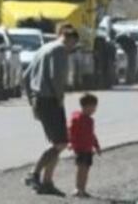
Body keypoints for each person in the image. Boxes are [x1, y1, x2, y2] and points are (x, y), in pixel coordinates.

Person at [22, 23, 81, 196]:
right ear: (69, 38)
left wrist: (31, 100)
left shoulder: (44, 48)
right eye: (73, 44)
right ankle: (33, 174)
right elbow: (56, 77)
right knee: (61, 143)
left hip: (39, 99)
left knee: (57, 142)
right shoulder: (60, 50)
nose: (71, 49)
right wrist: (60, 98)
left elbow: (26, 77)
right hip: (50, 100)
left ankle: (47, 182)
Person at [69, 93, 102, 198]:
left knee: (86, 169)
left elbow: (92, 134)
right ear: (86, 106)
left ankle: (83, 189)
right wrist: (71, 143)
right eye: (93, 107)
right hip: (80, 148)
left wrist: (96, 146)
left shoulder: (90, 120)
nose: (94, 110)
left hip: (88, 149)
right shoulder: (77, 119)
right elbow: (71, 132)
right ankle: (77, 189)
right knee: (81, 169)